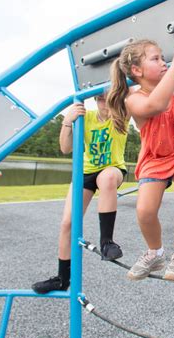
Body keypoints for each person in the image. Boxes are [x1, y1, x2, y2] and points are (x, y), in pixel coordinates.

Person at [107, 38, 174, 284]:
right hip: (154, 158)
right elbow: (156, 104)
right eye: (155, 59)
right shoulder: (133, 98)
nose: (163, 61)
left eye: (164, 57)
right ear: (137, 71)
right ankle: (155, 252)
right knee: (144, 211)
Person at [32, 93, 128, 293]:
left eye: (109, 98)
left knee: (107, 178)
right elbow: (65, 148)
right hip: (85, 172)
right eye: (100, 99)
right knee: (68, 223)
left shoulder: (121, 115)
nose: (104, 103)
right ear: (95, 100)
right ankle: (62, 278)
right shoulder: (87, 117)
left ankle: (107, 243)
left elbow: (131, 91)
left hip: (112, 169)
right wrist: (68, 120)